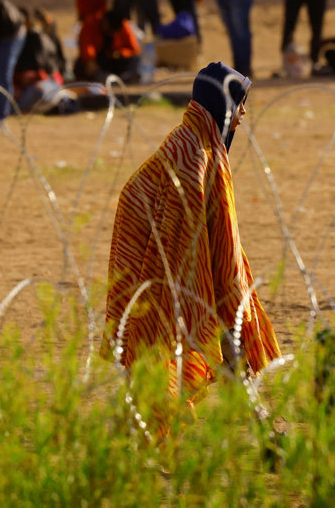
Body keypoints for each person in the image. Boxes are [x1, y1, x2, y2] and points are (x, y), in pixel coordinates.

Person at [102, 61, 280, 417]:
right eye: (238, 101)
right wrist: (216, 288)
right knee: (184, 344)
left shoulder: (198, 143)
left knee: (205, 346)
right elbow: (196, 231)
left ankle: (264, 430)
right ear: (220, 104)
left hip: (176, 263)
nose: (243, 111)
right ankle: (265, 431)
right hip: (159, 264)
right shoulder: (194, 155)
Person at [75, 8, 140, 82]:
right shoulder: (91, 23)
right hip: (97, 60)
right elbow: (86, 46)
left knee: (134, 59)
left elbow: (134, 50)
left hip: (114, 59)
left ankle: (125, 77)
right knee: (81, 65)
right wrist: (90, 60)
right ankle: (100, 78)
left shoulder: (124, 26)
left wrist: (120, 53)